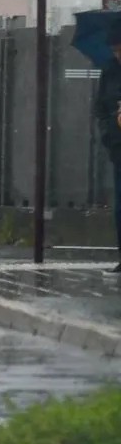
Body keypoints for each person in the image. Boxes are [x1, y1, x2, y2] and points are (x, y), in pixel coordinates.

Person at [93, 30, 121, 273]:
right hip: (118, 145)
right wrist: (108, 131)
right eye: (115, 50)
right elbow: (101, 107)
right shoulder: (110, 71)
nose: (118, 54)